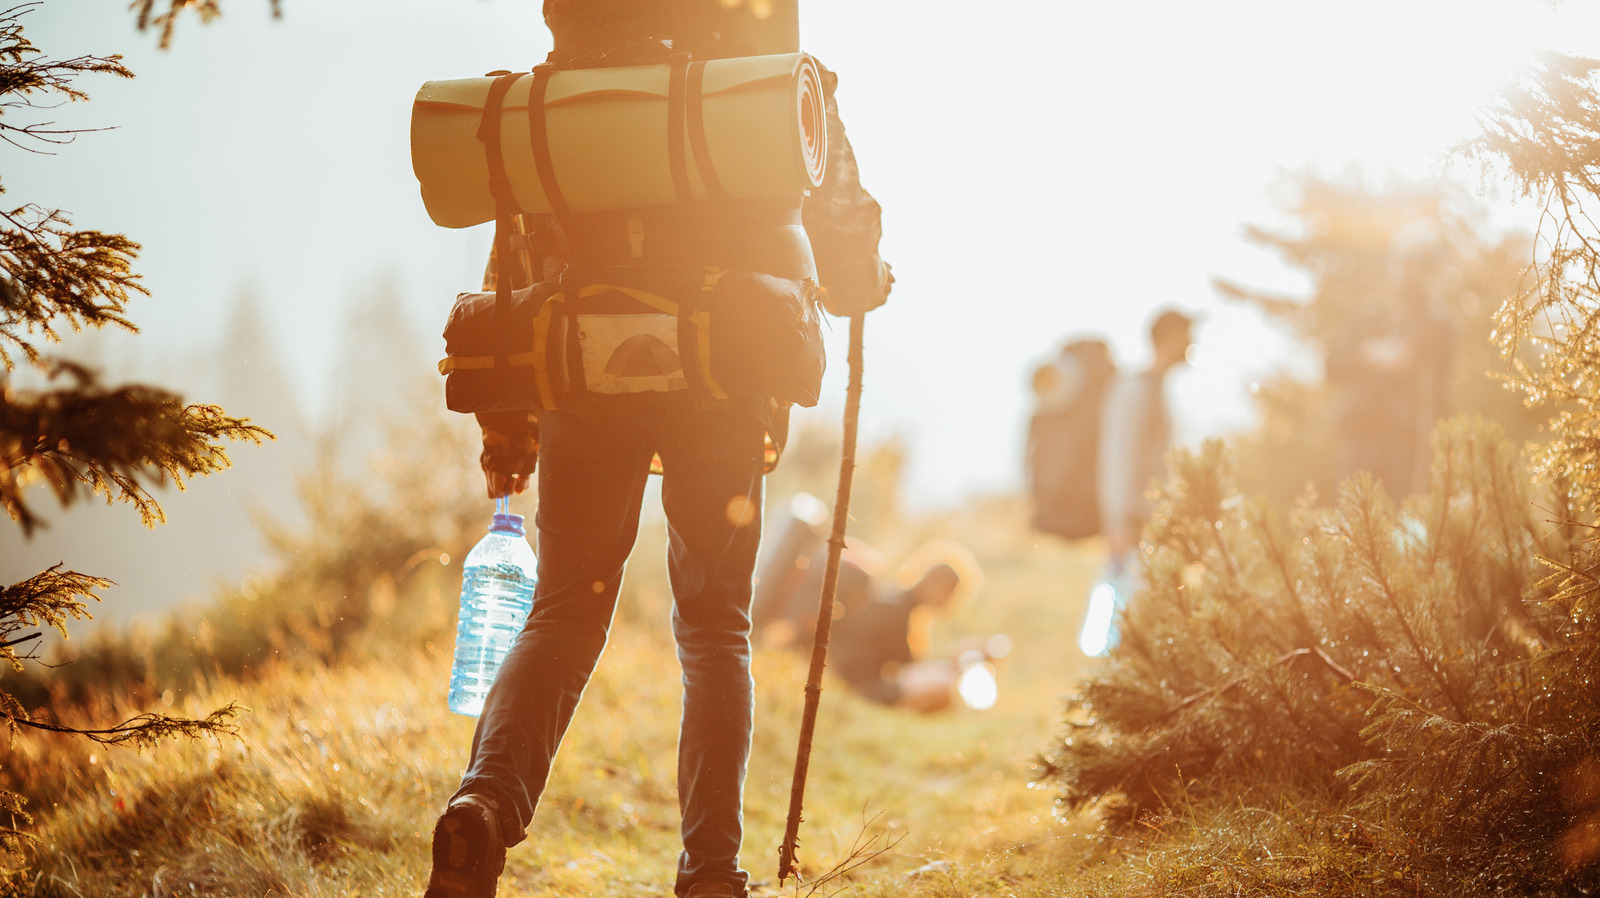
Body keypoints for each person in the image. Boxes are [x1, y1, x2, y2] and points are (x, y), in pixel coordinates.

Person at [421, 4, 891, 898]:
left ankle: (483, 805)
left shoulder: (553, 99)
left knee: (561, 613)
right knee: (715, 632)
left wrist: (507, 433)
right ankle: (711, 872)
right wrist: (868, 280)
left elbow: (513, 265)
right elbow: (846, 245)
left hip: (581, 377)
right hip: (720, 379)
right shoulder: (768, 87)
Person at [1097, 309, 1194, 577]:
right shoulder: (1135, 390)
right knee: (1125, 612)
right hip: (1133, 531)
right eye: (1188, 335)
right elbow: (1119, 457)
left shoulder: (1158, 390)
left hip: (1153, 530)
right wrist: (1117, 523)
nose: (1192, 342)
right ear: (1170, 337)